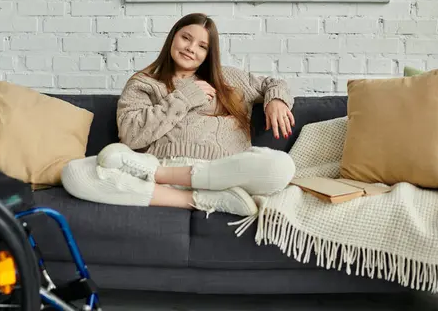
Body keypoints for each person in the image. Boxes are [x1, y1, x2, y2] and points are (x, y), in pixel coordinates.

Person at [63, 13, 296, 217]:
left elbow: (273, 82)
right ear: (173, 37)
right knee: (74, 173)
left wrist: (275, 99)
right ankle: (200, 200)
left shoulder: (229, 79)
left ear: (209, 53)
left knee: (282, 167)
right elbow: (131, 136)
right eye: (186, 37)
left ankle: (168, 178)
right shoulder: (144, 83)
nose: (190, 48)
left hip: (223, 171)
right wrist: (184, 98)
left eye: (202, 46)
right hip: (155, 168)